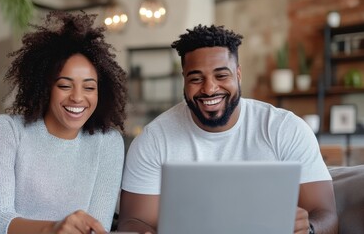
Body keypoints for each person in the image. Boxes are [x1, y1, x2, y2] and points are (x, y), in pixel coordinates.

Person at [118, 25, 338, 234]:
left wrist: (308, 229)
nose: (210, 88)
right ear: (184, 79)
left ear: (238, 75)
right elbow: (134, 220)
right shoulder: (154, 139)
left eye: (221, 75)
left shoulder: (285, 129)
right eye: (196, 78)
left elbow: (327, 216)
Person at [0, 11, 127, 234]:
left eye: (89, 87)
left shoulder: (108, 143)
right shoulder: (6, 130)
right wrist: (53, 229)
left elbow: (98, 227)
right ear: (45, 87)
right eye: (65, 86)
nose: (77, 97)